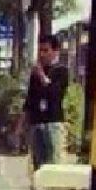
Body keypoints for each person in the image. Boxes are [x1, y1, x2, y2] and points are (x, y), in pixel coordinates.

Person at [18, 34, 69, 171]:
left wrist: (42, 76)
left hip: (53, 122)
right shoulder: (35, 74)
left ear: (55, 51)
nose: (42, 54)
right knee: (38, 166)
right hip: (36, 123)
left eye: (46, 50)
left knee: (54, 164)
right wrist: (20, 125)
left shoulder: (61, 71)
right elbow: (30, 99)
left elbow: (55, 94)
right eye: (40, 50)